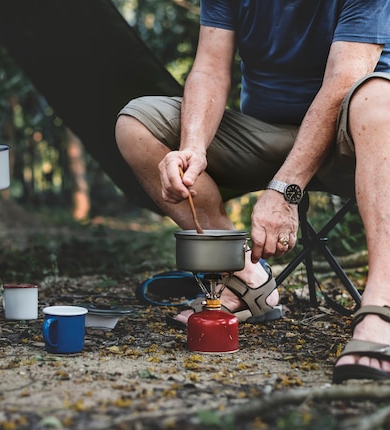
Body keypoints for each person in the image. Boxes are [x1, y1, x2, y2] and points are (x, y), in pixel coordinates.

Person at [115, 0, 390, 383]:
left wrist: (285, 188)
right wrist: (192, 146)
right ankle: (244, 276)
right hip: (263, 133)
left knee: (381, 97)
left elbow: (341, 83)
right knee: (136, 123)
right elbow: (210, 70)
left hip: (356, 139)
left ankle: (381, 307)